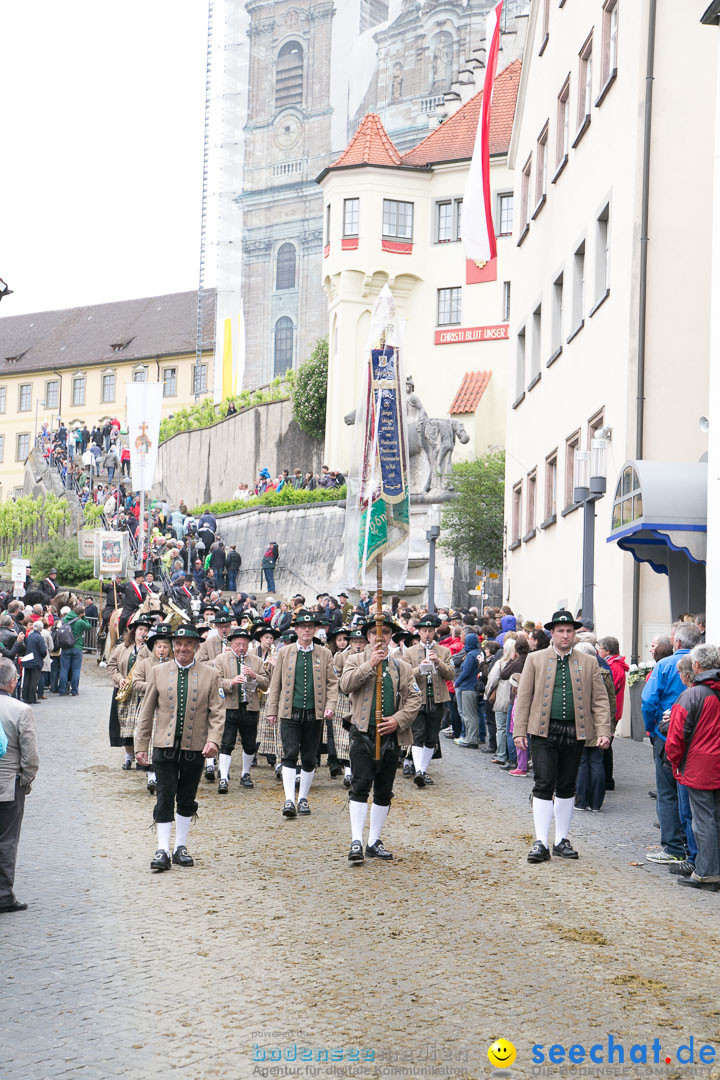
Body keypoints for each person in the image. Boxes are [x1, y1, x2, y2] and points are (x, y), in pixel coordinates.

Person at [513, 610, 612, 864]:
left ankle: (561, 840)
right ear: (552, 634)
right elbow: (523, 699)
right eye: (560, 631)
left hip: (576, 732)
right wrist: (519, 731)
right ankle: (540, 841)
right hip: (543, 731)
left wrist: (603, 731)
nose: (565, 635)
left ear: (574, 634)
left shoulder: (589, 662)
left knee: (568, 786)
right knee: (543, 783)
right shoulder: (535, 659)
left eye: (569, 631)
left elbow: (600, 700)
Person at [135, 625, 225, 872]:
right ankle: (162, 848)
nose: (182, 648)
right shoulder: (158, 672)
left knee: (187, 797)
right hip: (164, 746)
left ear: (196, 647)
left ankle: (180, 847)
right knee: (164, 795)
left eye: (188, 644)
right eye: (178, 644)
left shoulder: (211, 674)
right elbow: (146, 712)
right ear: (173, 646)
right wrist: (141, 745)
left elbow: (218, 712)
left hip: (195, 747)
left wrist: (214, 740)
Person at [340, 616, 421, 862]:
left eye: (385, 633)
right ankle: (356, 840)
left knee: (384, 790)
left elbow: (414, 698)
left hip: (391, 735)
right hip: (362, 732)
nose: (380, 637)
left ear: (390, 637)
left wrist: (398, 719)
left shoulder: (401, 666)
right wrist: (369, 665)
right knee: (361, 784)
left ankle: (374, 840)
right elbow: (345, 685)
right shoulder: (354, 660)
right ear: (367, 637)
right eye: (375, 633)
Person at [265, 610, 338, 818]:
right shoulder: (284, 652)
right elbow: (275, 683)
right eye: (303, 627)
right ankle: (289, 799)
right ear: (296, 629)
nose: (306, 630)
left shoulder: (324, 654)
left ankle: (303, 798)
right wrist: (272, 710)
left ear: (315, 630)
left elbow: (333, 683)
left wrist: (330, 705)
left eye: (310, 627)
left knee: (309, 756)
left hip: (314, 713)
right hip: (289, 712)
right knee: (289, 754)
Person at [642, 621, 702, 865]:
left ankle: (673, 847)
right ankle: (693, 845)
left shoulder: (665, 665)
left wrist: (651, 727)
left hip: (668, 735)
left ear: (676, 642)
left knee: (667, 793)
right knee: (692, 795)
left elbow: (648, 700)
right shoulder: (705, 666)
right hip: (698, 739)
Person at [666, 644, 720, 890]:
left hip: (701, 766)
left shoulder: (693, 694)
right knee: (715, 818)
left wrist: (675, 762)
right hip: (712, 763)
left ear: (697, 665)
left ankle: (707, 873)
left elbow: (676, 736)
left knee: (703, 821)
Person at [0, 658, 39, 912]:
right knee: (6, 840)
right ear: (13, 682)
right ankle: (3, 894)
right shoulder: (20, 709)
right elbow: (30, 754)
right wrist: (26, 778)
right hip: (8, 785)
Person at [213, 626, 269, 792]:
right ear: (232, 643)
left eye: (244, 644)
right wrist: (231, 682)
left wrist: (254, 676)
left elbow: (266, 683)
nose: (242, 648)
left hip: (250, 706)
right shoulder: (221, 659)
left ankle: (245, 773)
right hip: (229, 706)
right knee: (227, 743)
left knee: (249, 743)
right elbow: (215, 681)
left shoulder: (256, 661)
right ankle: (223, 777)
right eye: (238, 644)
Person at [402, 615, 454, 785]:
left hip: (437, 699)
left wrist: (438, 662)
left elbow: (451, 674)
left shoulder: (444, 651)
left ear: (435, 632)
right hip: (418, 699)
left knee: (431, 736)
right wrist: (420, 668)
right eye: (424, 631)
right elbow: (404, 674)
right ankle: (419, 771)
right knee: (418, 735)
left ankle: (423, 770)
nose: (427, 634)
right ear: (419, 632)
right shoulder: (410, 652)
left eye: (430, 631)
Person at [107, 616, 153, 768]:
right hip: (124, 691)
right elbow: (111, 666)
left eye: (146, 630)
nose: (143, 632)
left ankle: (141, 757)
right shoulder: (121, 648)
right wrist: (119, 679)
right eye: (140, 629)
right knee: (125, 726)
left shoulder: (150, 649)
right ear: (134, 631)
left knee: (140, 726)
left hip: (141, 692)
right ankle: (128, 757)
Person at [58, 605, 92, 697]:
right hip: (77, 647)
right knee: (75, 670)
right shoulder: (80, 622)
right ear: (81, 614)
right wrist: (84, 617)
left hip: (65, 647)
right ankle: (74, 690)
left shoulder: (65, 619)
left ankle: (62, 690)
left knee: (64, 670)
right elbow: (89, 626)